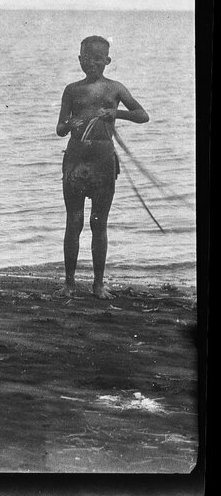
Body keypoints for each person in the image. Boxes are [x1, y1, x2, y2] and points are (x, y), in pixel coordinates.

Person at [56, 36, 148, 299]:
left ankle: (98, 285)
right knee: (73, 222)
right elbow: (60, 128)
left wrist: (115, 114)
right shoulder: (72, 90)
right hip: (75, 161)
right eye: (86, 58)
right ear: (79, 60)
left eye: (98, 59)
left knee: (99, 223)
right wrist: (70, 125)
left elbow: (142, 115)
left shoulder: (115, 89)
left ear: (107, 61)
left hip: (103, 162)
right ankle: (70, 284)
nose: (92, 63)